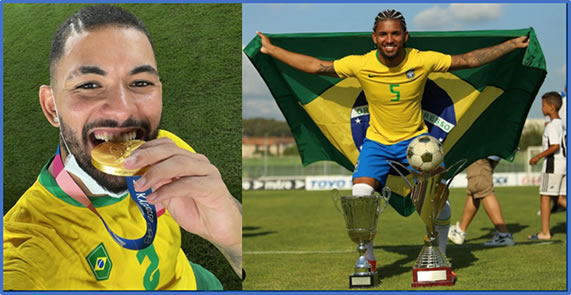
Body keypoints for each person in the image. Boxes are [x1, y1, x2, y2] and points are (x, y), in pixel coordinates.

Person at [257, 9, 529, 275]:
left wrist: (511, 45)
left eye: (395, 34)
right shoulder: (361, 63)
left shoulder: (422, 60)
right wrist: (271, 50)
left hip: (417, 146)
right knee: (360, 197)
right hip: (376, 143)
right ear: (374, 37)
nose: (390, 39)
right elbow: (316, 67)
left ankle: (441, 258)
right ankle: (367, 261)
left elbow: (469, 60)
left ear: (405, 36)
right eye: (384, 34)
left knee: (439, 200)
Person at [3, 5, 242, 290]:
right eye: (89, 85)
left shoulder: (168, 152)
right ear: (52, 107)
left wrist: (233, 238)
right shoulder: (29, 246)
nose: (122, 110)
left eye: (140, 82)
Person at [448, 156, 515, 246]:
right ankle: (460, 231)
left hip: (480, 154)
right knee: (474, 191)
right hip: (490, 153)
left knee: (484, 190)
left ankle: (504, 235)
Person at [528, 91, 567, 240]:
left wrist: (537, 157)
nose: (541, 108)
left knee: (545, 197)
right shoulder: (560, 124)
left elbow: (555, 146)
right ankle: (544, 232)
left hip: (553, 166)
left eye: (543, 105)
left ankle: (545, 233)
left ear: (551, 107)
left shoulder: (552, 126)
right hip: (562, 165)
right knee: (559, 198)